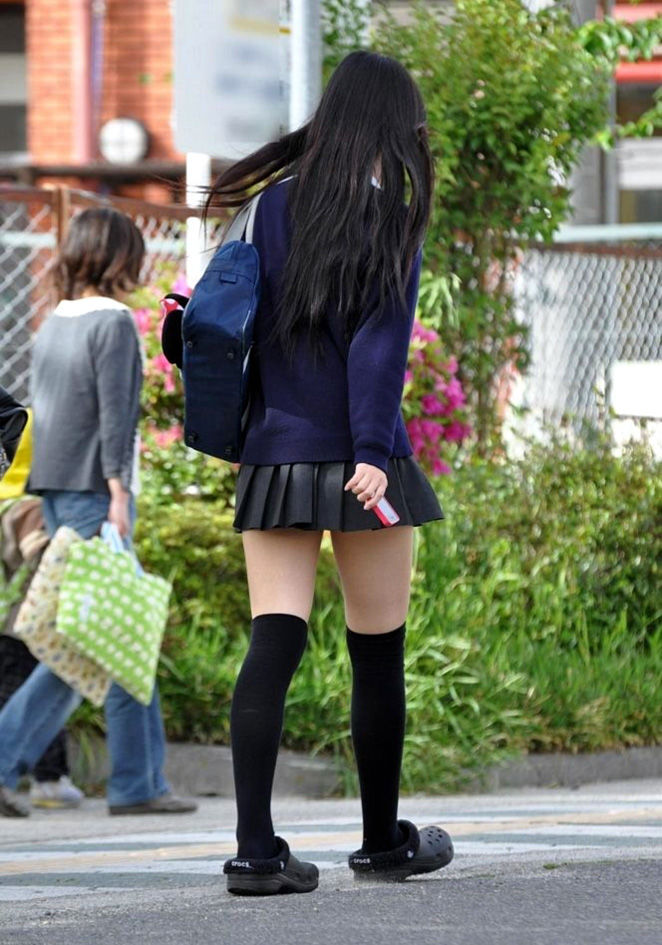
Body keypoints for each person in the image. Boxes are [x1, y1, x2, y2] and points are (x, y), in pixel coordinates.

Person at [205, 51, 454, 895]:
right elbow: (380, 345)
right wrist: (373, 453)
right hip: (357, 459)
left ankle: (255, 851)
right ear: (394, 127)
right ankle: (382, 842)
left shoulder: (266, 207)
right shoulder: (389, 216)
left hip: (274, 453)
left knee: (273, 638)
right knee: (376, 651)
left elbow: (224, 314)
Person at [0, 208, 196, 819]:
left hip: (57, 489)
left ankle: (137, 779)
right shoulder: (112, 323)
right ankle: (131, 782)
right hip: (96, 492)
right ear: (120, 258)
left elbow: (48, 414)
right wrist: (118, 494)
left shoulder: (54, 321)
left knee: (98, 638)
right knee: (109, 635)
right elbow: (117, 415)